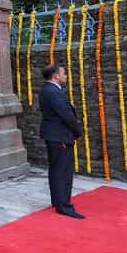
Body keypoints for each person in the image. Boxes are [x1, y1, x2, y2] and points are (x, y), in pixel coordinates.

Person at [39, 64, 85, 219]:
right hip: (59, 137)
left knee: (56, 170)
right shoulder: (53, 92)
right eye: (64, 73)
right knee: (63, 172)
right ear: (56, 76)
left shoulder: (47, 89)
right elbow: (67, 116)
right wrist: (77, 132)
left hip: (53, 135)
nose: (66, 76)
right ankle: (64, 206)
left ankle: (57, 201)